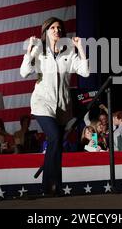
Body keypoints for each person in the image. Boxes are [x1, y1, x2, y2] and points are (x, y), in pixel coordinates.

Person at [20, 17, 90, 195]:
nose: (56, 30)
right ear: (46, 31)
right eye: (52, 27)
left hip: (63, 107)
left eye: (59, 28)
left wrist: (80, 47)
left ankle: (53, 187)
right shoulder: (39, 51)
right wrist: (29, 50)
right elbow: (24, 72)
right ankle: (50, 186)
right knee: (55, 137)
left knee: (56, 143)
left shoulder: (68, 53)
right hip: (42, 103)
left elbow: (85, 71)